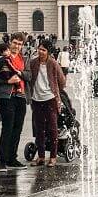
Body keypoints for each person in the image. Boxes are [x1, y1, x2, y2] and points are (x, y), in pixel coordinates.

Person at [28, 39, 67, 167]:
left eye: (43, 50)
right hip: (37, 99)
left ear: (48, 52)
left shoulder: (53, 64)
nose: (40, 51)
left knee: (52, 128)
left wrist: (53, 91)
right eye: (39, 49)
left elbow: (62, 82)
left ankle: (53, 157)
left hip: (50, 100)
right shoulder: (33, 63)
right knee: (39, 129)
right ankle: (41, 156)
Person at [0, 34, 28, 171]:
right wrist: (7, 81)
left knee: (17, 129)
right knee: (7, 128)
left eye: (20, 44)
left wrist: (20, 74)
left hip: (21, 96)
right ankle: (2, 161)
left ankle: (12, 158)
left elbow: (29, 75)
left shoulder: (24, 59)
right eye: (15, 43)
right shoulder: (2, 59)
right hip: (6, 96)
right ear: (10, 43)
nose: (17, 46)